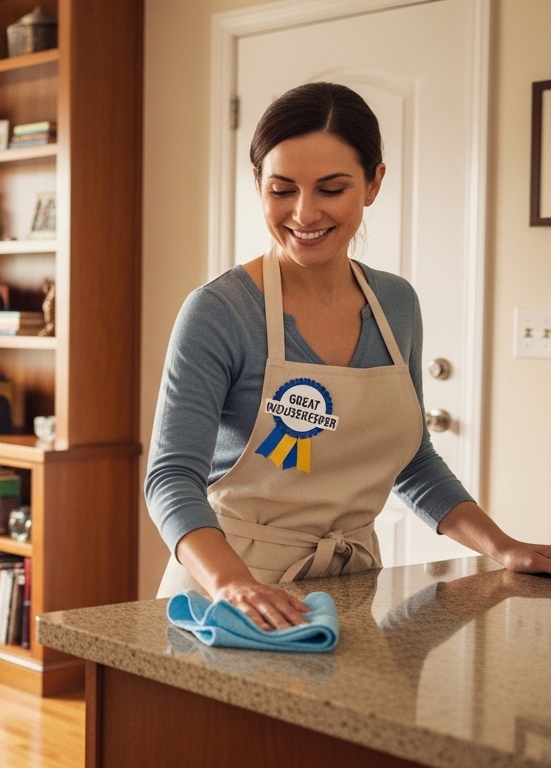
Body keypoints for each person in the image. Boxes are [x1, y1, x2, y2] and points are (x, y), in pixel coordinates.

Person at [146, 82, 551, 630]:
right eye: (281, 190)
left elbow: (413, 460)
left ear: (373, 183)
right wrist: (232, 584)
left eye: (331, 189)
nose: (304, 213)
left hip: (353, 590)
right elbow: (171, 477)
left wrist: (503, 547)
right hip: (231, 593)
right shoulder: (219, 312)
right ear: (258, 185)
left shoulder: (396, 304)